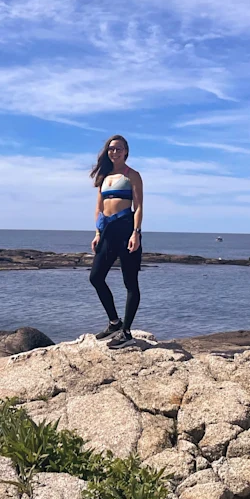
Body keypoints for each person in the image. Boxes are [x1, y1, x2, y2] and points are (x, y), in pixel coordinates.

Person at [88, 134, 143, 349]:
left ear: (126, 152)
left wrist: (135, 233)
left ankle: (126, 332)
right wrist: (98, 233)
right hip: (107, 230)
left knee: (130, 282)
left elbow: (138, 206)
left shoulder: (133, 176)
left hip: (126, 228)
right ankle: (114, 323)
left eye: (119, 149)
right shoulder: (104, 177)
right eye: (111, 149)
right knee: (96, 277)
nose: (114, 152)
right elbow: (99, 208)